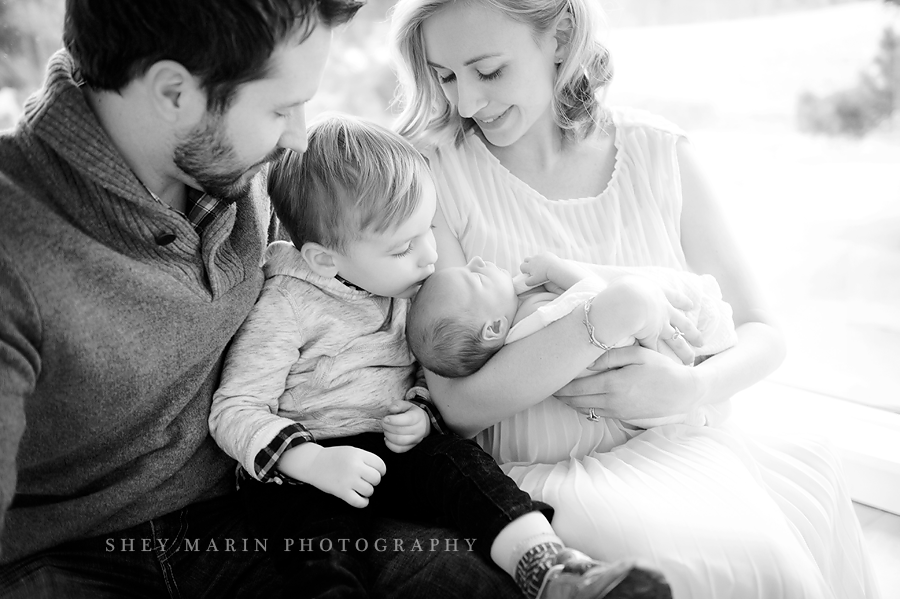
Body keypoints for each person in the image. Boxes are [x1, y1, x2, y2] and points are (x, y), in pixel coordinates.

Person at [1, 2, 529, 598]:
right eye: (282, 108)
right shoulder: (15, 243)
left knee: (466, 584)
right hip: (63, 558)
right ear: (175, 93)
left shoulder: (248, 172)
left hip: (255, 516)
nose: (298, 136)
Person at [388, 0, 882, 597]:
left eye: (488, 71)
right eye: (445, 76)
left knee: (776, 549)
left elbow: (764, 332)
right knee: (698, 567)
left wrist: (688, 388)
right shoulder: (435, 172)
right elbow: (458, 408)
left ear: (562, 36)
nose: (466, 102)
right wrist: (601, 319)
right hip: (543, 481)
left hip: (683, 446)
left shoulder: (658, 153)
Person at [210, 113, 672, 599]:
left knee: (464, 471)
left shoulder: (409, 290)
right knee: (314, 550)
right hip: (307, 471)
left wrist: (420, 414)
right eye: (404, 246)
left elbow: (438, 377)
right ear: (326, 259)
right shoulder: (287, 304)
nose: (430, 255)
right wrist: (310, 461)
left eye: (428, 228)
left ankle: (550, 568)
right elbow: (234, 410)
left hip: (393, 450)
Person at [406, 251, 737, 429]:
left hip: (655, 388)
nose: (477, 260)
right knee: (703, 320)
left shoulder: (511, 341)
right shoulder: (535, 314)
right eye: (475, 276)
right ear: (493, 328)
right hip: (650, 362)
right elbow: (599, 299)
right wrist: (557, 269)